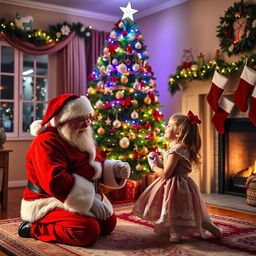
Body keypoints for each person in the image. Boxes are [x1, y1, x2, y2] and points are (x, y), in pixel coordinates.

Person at [18, 93, 131, 246]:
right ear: (63, 121)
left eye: (88, 118)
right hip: (49, 199)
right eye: (80, 120)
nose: (86, 124)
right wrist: (89, 201)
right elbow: (55, 180)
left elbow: (94, 163)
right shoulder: (46, 142)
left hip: (77, 196)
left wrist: (116, 169)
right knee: (87, 231)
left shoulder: (79, 135)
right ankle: (33, 228)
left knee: (108, 224)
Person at [132, 111, 221, 243]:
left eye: (169, 126)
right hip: (183, 183)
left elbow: (166, 174)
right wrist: (158, 161)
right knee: (187, 210)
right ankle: (210, 226)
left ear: (178, 133)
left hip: (175, 185)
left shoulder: (176, 150)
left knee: (173, 208)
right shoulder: (180, 148)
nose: (165, 127)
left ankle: (176, 232)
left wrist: (153, 166)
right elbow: (171, 167)